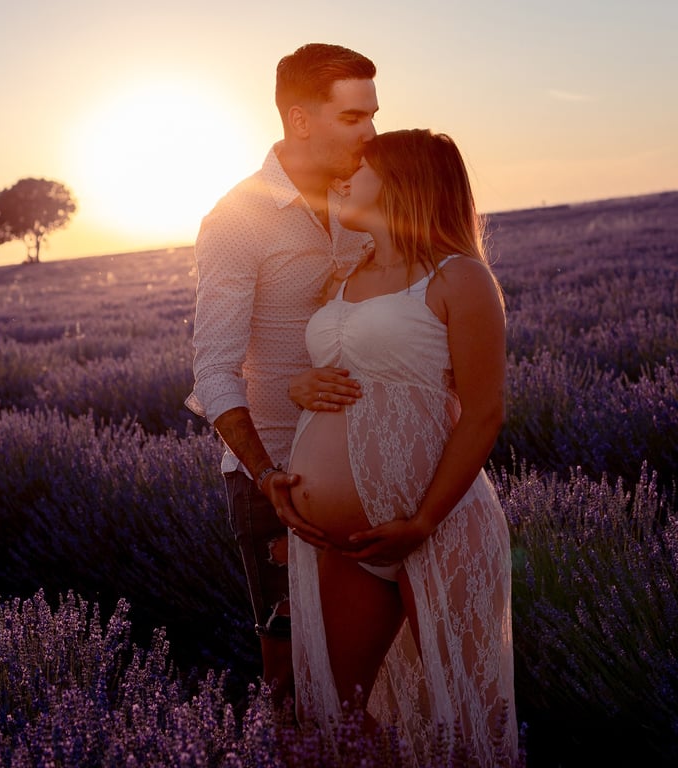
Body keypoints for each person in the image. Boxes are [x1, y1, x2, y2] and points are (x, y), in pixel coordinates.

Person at [286, 129, 519, 765]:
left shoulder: (458, 276)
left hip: (439, 528)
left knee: (463, 721)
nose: (345, 176)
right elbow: (334, 368)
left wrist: (421, 521)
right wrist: (299, 384)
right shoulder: (345, 274)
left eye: (360, 167)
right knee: (340, 718)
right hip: (348, 545)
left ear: (401, 181)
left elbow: (484, 412)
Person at [186, 43, 378, 704]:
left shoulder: (370, 195)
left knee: (373, 681)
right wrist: (267, 476)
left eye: (372, 115)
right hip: (280, 487)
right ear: (300, 120)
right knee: (293, 685)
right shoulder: (239, 220)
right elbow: (213, 373)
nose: (371, 132)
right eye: (354, 118)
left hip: (372, 462)